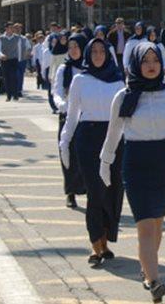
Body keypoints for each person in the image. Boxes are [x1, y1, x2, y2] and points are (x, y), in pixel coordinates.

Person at [99, 42, 165, 301]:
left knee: (156, 224)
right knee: (144, 225)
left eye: (155, 60)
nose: (151, 65)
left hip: (164, 163)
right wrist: (105, 161)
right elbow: (113, 133)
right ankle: (155, 281)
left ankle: (147, 268)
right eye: (145, 61)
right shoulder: (124, 96)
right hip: (136, 162)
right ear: (135, 64)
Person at [59, 38, 125, 267]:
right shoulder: (80, 79)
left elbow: (125, 116)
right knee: (95, 192)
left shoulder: (118, 79)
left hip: (113, 137)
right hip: (88, 138)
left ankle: (106, 240)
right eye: (94, 51)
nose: (98, 55)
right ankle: (95, 245)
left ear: (108, 54)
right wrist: (64, 140)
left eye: (102, 51)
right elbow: (72, 114)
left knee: (112, 190)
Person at [53, 33, 89, 209]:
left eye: (77, 47)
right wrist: (63, 105)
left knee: (87, 155)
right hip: (67, 116)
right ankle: (70, 192)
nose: (73, 50)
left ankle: (89, 189)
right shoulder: (63, 69)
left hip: (87, 117)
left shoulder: (89, 68)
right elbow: (57, 91)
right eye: (70, 47)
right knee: (68, 153)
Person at [0, 22, 23, 101]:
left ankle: (15, 95)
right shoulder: (1, 38)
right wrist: (1, 55)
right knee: (6, 78)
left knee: (14, 77)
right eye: (10, 28)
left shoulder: (17, 38)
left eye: (12, 28)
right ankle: (8, 95)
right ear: (6, 28)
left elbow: (19, 49)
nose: (11, 29)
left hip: (14, 60)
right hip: (5, 60)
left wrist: (19, 59)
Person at [14, 23, 30, 96]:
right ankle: (14, 90)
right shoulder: (12, 38)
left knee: (20, 76)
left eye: (19, 28)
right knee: (15, 75)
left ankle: (19, 90)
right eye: (16, 28)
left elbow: (28, 47)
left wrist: (27, 53)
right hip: (14, 60)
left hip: (22, 60)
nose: (18, 30)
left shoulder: (24, 38)